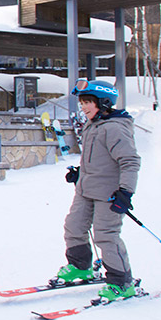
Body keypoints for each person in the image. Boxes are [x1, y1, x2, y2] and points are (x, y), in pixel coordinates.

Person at [55, 79, 141, 303]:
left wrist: (126, 192)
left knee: (106, 236)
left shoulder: (114, 128)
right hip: (86, 189)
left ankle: (122, 282)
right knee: (73, 226)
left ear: (103, 103)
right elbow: (98, 158)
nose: (82, 107)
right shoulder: (94, 124)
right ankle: (80, 266)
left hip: (109, 194)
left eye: (87, 103)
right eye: (81, 102)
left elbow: (130, 161)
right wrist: (80, 172)